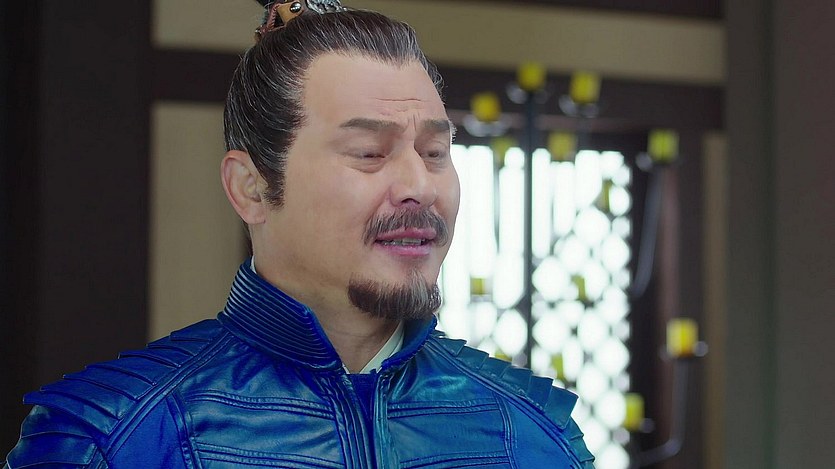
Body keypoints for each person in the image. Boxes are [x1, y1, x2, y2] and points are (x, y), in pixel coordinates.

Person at [4, 1, 594, 467]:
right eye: (369, 152)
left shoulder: (535, 432)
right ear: (252, 188)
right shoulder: (110, 439)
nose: (420, 184)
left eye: (436, 152)